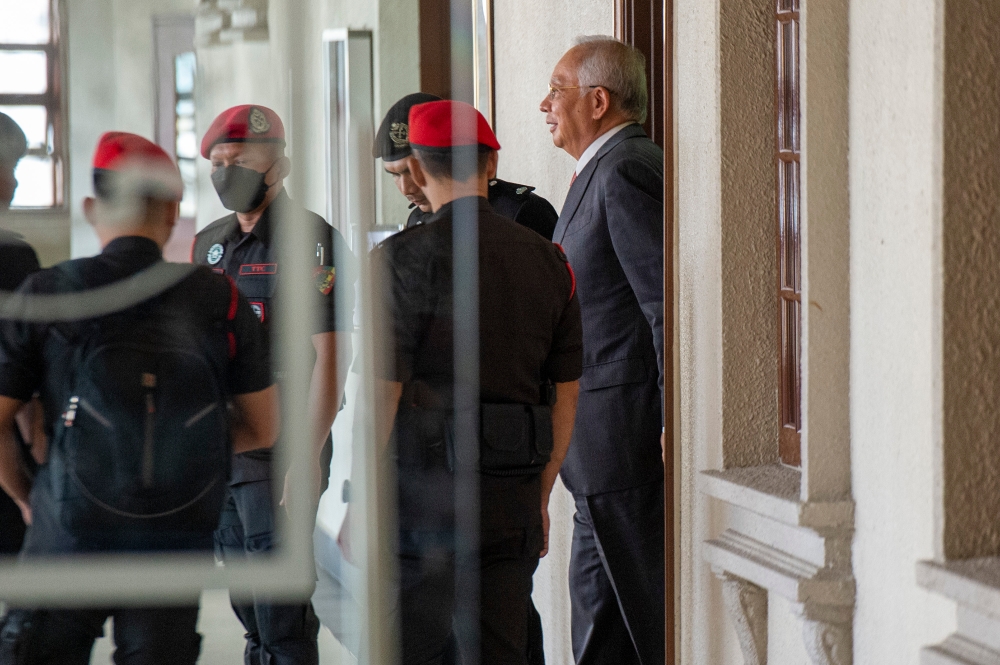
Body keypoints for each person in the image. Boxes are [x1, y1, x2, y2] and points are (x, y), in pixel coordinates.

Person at [0, 131, 278, 664]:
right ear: (174, 210)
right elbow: (264, 428)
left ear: (89, 207)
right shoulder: (217, 297)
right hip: (173, 536)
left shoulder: (50, 291)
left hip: (68, 531)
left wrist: (27, 496)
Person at [369, 99, 582, 664]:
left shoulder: (397, 261)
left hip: (420, 504)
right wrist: (540, 491)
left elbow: (381, 397)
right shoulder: (549, 260)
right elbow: (566, 391)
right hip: (509, 497)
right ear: (490, 163)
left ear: (415, 167)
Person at [192, 104, 355, 665]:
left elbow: (331, 356)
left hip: (284, 447)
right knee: (247, 605)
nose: (223, 172)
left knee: (280, 609)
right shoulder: (209, 244)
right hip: (226, 449)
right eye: (216, 162)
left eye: (237, 161)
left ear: (278, 168)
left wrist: (306, 455)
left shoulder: (313, 241)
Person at [540, 36, 665, 665]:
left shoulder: (625, 168)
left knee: (646, 628)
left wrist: (669, 419)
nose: (545, 103)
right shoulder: (598, 169)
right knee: (598, 634)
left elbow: (659, 304)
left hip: (624, 444)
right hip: (595, 455)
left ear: (598, 99)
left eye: (557, 89)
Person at [377, 93, 559, 241]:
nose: (405, 188)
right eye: (395, 175)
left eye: (411, 170)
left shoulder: (520, 212)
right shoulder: (417, 219)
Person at [0, 112, 42, 556]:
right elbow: (25, 368)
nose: (14, 185)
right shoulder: (12, 257)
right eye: (10, 170)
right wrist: (26, 493)